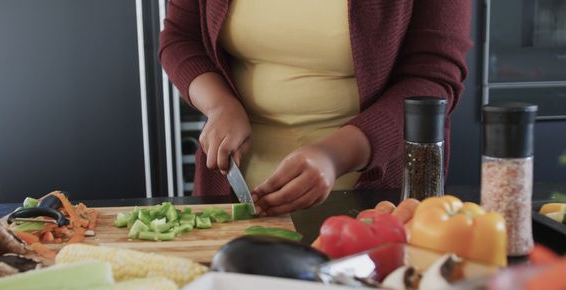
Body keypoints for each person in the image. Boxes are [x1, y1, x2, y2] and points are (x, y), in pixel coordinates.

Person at [159, 0, 471, 216]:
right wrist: (221, 106)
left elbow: (432, 78)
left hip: (370, 202)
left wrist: (334, 155)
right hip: (235, 189)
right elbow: (180, 37)